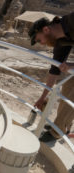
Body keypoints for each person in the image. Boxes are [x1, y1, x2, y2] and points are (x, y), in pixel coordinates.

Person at [28, 12, 74, 142]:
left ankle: (57, 132)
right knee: (68, 85)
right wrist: (42, 98)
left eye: (38, 40)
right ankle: (63, 125)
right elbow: (54, 71)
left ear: (46, 29)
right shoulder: (60, 41)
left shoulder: (72, 22)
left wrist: (71, 65)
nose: (41, 44)